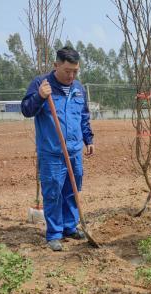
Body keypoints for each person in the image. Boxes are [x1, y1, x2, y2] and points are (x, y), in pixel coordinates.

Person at [21, 46, 94, 251]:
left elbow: (84, 116)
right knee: (53, 192)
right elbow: (26, 110)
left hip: (73, 151)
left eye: (75, 71)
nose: (71, 75)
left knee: (72, 191)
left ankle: (70, 227)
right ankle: (54, 233)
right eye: (67, 71)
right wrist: (40, 97)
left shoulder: (78, 88)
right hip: (52, 152)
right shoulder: (41, 84)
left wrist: (88, 138)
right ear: (56, 65)